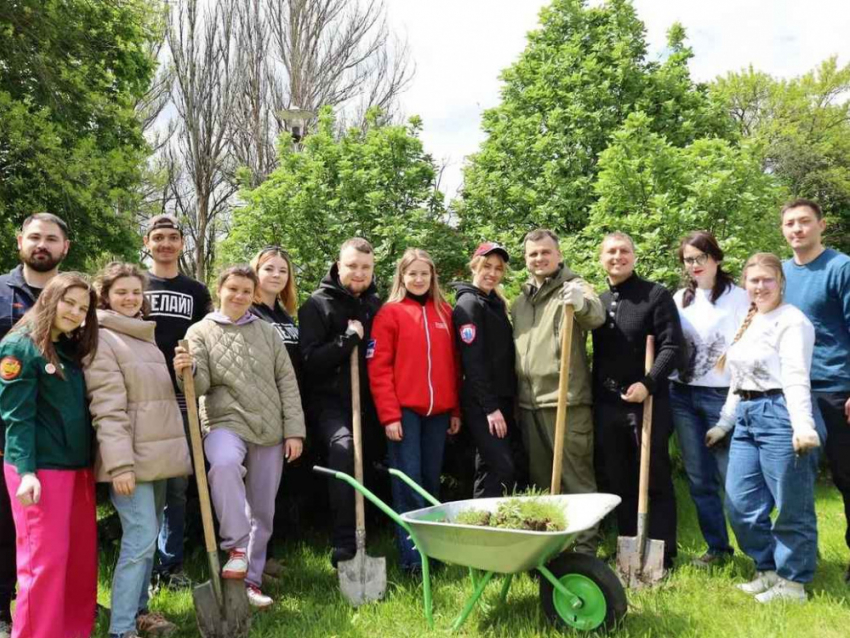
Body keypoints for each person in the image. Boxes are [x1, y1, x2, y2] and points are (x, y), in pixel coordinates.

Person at [175, 265, 305, 608]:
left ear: (255, 295)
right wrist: (187, 370)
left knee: (262, 511)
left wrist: (294, 431)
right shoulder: (200, 331)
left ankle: (251, 582)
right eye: (233, 289)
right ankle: (235, 547)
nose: (239, 296)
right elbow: (198, 387)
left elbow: (287, 383)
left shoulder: (267, 332)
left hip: (269, 428)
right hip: (224, 421)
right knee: (224, 464)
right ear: (221, 289)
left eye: (246, 291)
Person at [706, 253, 821, 603]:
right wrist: (725, 422)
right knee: (740, 504)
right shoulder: (752, 319)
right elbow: (737, 380)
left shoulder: (793, 321)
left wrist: (802, 426)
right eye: (753, 280)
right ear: (745, 284)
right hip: (747, 415)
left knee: (791, 504)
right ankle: (767, 568)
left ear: (780, 281)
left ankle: (793, 583)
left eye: (766, 280)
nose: (760, 286)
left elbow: (797, 377)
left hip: (782, 414)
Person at [85, 263, 192, 638]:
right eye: (121, 292)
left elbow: (156, 401)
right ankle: (122, 628)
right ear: (105, 296)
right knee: (140, 538)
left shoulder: (143, 335)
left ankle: (140, 612)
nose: (130, 299)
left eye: (135, 292)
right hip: (128, 461)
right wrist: (119, 466)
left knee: (149, 536)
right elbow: (108, 409)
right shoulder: (102, 339)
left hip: (157, 457)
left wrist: (183, 373)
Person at [0, 272, 98, 638]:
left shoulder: (70, 349)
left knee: (77, 564)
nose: (75, 312)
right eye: (68, 302)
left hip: (77, 470)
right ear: (50, 299)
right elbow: (16, 418)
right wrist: (26, 472)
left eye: (83, 308)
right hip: (40, 472)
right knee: (44, 565)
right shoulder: (19, 347)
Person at [592, 232, 683, 568]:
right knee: (618, 478)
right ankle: (628, 546)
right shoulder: (599, 301)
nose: (618, 256)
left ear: (634, 256)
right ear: (601, 258)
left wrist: (648, 383)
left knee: (653, 474)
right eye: (611, 251)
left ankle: (662, 551)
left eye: (624, 251)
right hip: (608, 403)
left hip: (647, 402)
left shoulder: (655, 295)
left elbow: (673, 347)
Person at [512, 229, 604, 554]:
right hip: (529, 405)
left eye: (545, 252)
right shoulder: (520, 302)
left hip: (566, 402)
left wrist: (580, 305)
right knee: (541, 484)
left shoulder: (574, 286)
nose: (539, 258)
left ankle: (584, 550)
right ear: (526, 260)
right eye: (533, 254)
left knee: (576, 480)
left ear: (559, 254)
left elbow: (595, 314)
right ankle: (552, 549)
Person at [369, 248, 461, 571]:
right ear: (402, 277)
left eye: (424, 273)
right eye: (412, 274)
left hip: (438, 414)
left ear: (433, 276)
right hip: (404, 414)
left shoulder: (445, 313)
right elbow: (379, 369)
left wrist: (455, 410)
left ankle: (434, 556)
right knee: (408, 483)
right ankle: (413, 561)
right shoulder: (390, 313)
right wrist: (390, 415)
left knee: (430, 483)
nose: (419, 279)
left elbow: (454, 365)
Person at [0, 212, 70, 637]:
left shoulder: (77, 296)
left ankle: (50, 599)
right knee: (6, 522)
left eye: (52, 239)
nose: (42, 245)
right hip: (9, 426)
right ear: (20, 241)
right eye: (35, 237)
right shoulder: (1, 292)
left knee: (56, 526)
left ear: (66, 247)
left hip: (64, 432)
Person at [298, 238, 383, 567]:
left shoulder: (377, 306)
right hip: (330, 403)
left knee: (375, 460)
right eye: (352, 266)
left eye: (366, 267)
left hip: (370, 401)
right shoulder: (316, 306)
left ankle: (373, 529)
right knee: (344, 452)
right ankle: (345, 542)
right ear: (338, 264)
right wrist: (346, 340)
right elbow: (310, 361)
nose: (359, 273)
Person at [670, 231, 751, 567]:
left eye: (701, 257)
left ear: (716, 258)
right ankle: (717, 549)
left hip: (723, 396)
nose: (695, 265)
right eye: (689, 259)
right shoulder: (680, 300)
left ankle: (762, 551)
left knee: (734, 478)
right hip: (683, 396)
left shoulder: (740, 298)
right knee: (700, 479)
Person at [780, 198, 850, 584]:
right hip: (794, 393)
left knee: (847, 477)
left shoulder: (841, 268)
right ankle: (803, 558)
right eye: (790, 223)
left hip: (837, 388)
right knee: (794, 479)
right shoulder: (782, 274)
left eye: (805, 222)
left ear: (821, 225)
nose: (797, 229)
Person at [142, 213, 212, 589]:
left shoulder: (196, 291)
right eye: (158, 238)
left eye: (172, 237)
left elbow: (205, 340)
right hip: (145, 399)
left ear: (182, 243)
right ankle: (145, 565)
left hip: (183, 396)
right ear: (147, 242)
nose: (165, 244)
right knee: (148, 483)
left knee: (179, 486)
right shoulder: (135, 285)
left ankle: (172, 566)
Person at [249, 246, 304, 580]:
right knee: (254, 490)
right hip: (258, 410)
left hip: (287, 407)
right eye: (269, 269)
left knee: (274, 489)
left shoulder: (285, 315)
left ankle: (266, 553)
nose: (275, 275)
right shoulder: (250, 311)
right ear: (256, 271)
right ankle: (251, 558)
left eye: (282, 271)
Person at [451, 243, 521, 498]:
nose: (492, 273)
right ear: (474, 266)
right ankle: (486, 529)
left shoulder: (495, 302)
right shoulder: (469, 304)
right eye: (487, 266)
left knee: (490, 467)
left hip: (502, 398)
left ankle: (484, 529)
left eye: (498, 269)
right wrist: (491, 409)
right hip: (483, 402)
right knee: (502, 466)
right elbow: (473, 362)